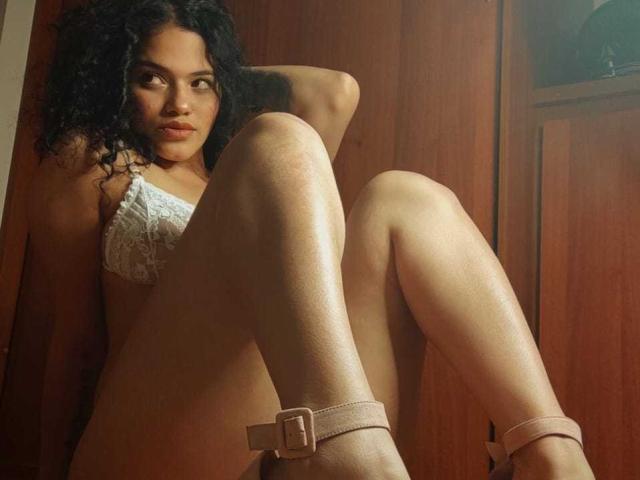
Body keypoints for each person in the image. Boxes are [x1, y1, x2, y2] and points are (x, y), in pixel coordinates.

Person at [26, 1, 596, 479]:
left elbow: (333, 92)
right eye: (152, 78)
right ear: (115, 81)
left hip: (273, 436)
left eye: (200, 84)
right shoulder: (94, 163)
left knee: (403, 197)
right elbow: (77, 340)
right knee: (278, 137)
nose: (180, 105)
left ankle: (550, 454)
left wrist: (223, 72)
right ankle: (345, 444)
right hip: (146, 441)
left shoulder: (245, 178)